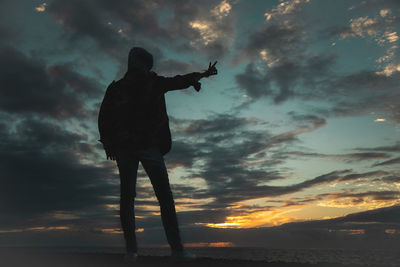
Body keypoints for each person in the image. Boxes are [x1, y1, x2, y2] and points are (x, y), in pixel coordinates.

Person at [97, 47, 217, 262]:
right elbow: (104, 116)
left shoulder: (129, 86)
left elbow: (104, 117)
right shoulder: (132, 86)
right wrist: (203, 75)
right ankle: (171, 250)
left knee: (132, 198)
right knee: (159, 197)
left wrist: (203, 75)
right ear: (142, 63)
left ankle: (136, 252)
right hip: (140, 146)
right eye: (146, 63)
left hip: (132, 147)